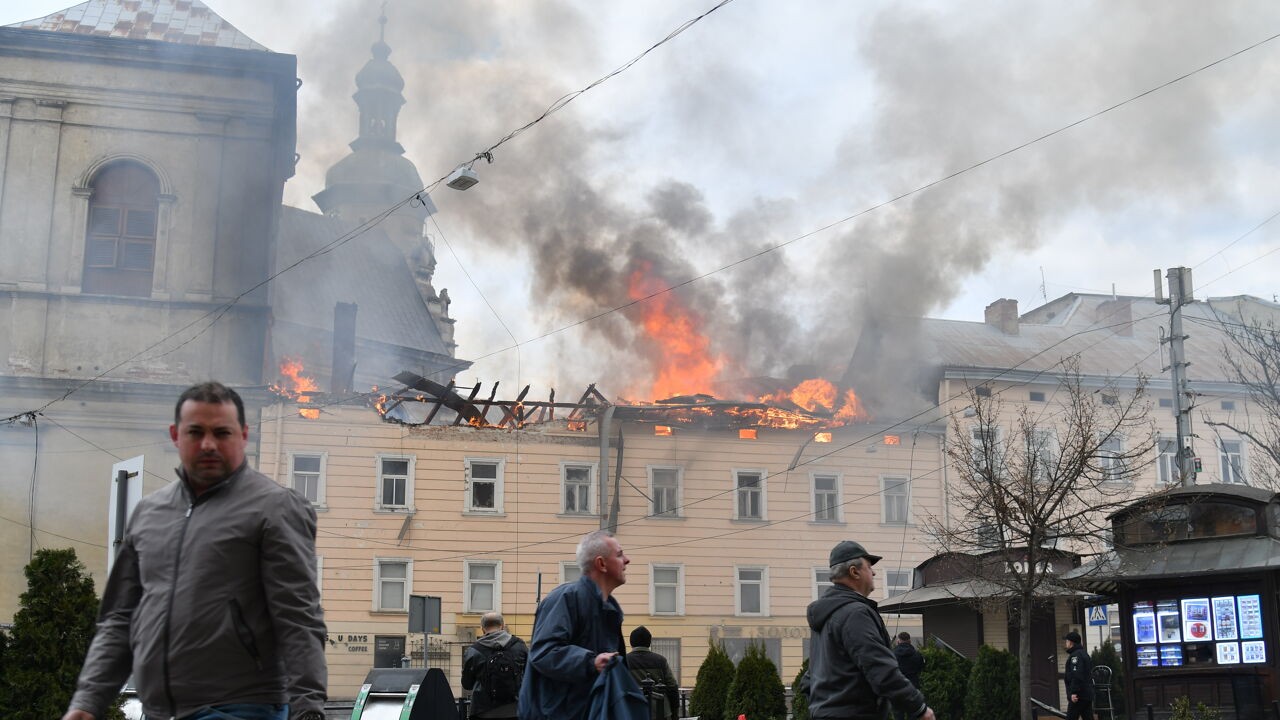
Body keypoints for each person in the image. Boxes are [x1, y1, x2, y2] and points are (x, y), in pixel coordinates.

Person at [62, 381, 328, 720]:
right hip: (159, 710)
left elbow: (298, 616)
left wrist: (308, 709)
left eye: (222, 433)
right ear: (175, 435)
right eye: (195, 432)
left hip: (241, 707)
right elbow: (119, 619)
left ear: (243, 435)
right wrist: (87, 702)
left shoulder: (274, 508)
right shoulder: (149, 512)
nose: (208, 444)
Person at [807, 540, 934, 720]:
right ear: (854, 572)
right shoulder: (855, 613)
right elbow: (880, 669)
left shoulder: (827, 615)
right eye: (869, 566)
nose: (874, 572)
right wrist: (919, 708)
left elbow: (809, 679)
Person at [518, 529, 630, 720]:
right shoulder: (566, 598)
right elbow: (544, 651)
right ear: (601, 563)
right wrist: (591, 661)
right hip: (557, 714)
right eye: (619, 554)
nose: (627, 560)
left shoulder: (609, 608)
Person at [463, 612, 529, 720]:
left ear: (483, 628)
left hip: (482, 711)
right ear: (502, 626)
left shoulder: (473, 651)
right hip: (515, 710)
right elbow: (529, 676)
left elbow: (467, 684)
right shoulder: (519, 646)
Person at [626, 626, 679, 720]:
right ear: (649, 642)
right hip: (660, 712)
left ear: (631, 642)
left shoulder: (624, 661)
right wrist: (674, 714)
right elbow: (672, 686)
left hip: (632, 711)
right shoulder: (661, 660)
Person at [892, 632, 925, 720]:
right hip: (913, 688)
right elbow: (921, 668)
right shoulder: (917, 655)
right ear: (910, 641)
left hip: (897, 688)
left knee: (898, 716)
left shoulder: (892, 655)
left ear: (898, 641)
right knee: (913, 715)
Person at [1063, 631, 1094, 720]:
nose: (1066, 643)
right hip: (1087, 693)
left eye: (1067, 641)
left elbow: (1077, 675)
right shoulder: (1084, 653)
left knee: (1071, 717)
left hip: (1079, 695)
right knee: (1088, 717)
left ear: (1071, 642)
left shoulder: (1075, 656)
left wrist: (1074, 692)